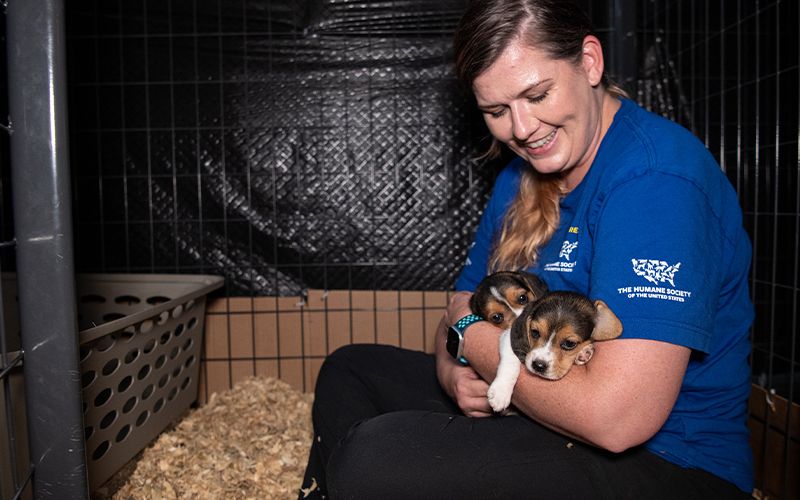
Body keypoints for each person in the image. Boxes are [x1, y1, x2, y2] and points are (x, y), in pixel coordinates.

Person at [298, 0, 754, 498]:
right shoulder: (519, 178)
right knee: (352, 369)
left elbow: (617, 420)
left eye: (537, 94)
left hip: (671, 464)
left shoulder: (656, 182)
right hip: (538, 408)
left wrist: (473, 342)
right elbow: (458, 308)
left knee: (375, 458)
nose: (521, 129)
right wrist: (453, 375)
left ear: (590, 62)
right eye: (496, 110)